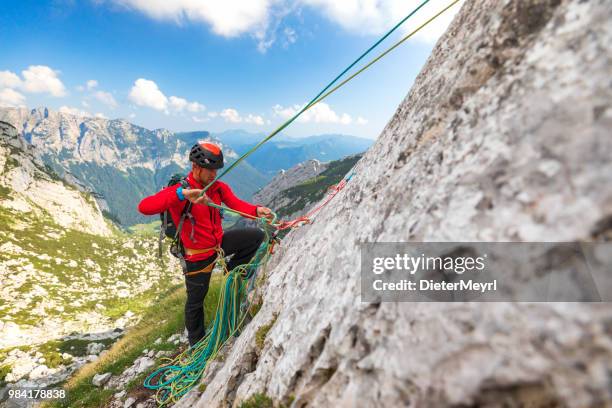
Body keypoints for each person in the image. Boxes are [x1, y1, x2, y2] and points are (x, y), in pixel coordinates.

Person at [138, 141, 273, 346]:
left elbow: (235, 204)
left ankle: (233, 275)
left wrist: (256, 210)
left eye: (216, 170)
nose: (213, 175)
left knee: (255, 236)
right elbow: (144, 206)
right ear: (195, 167)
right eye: (209, 170)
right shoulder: (181, 191)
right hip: (196, 257)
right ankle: (197, 345)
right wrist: (182, 194)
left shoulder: (217, 188)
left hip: (218, 245)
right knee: (195, 303)